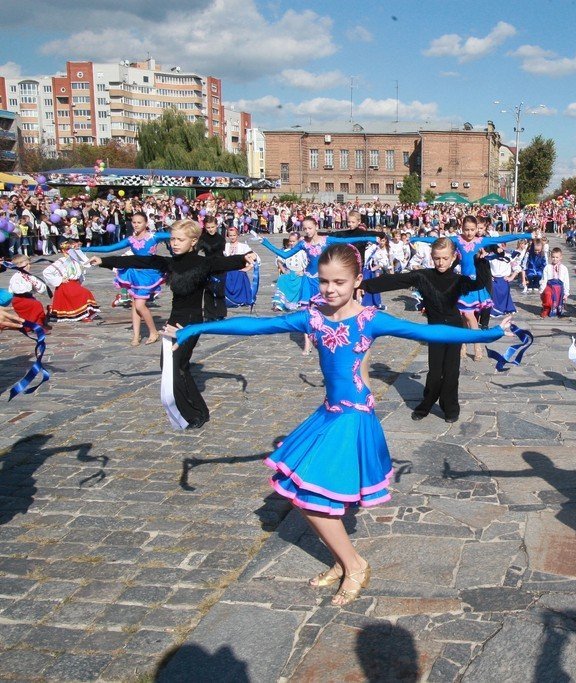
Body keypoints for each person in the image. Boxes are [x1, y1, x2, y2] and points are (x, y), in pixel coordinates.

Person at [164, 243, 511, 605]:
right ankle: (341, 559)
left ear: (358, 281)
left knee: (314, 500)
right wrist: (195, 330)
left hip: (353, 416)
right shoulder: (312, 317)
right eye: (324, 281)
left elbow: (433, 333)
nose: (330, 289)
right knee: (304, 497)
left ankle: (354, 564)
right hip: (328, 413)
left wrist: (485, 336)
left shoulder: (369, 319)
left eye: (339, 282)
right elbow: (256, 326)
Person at [90, 219, 257, 429]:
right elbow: (139, 261)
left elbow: (226, 262)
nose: (175, 243)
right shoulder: (170, 263)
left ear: (194, 241)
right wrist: (104, 261)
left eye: (180, 239)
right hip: (173, 321)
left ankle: (191, 414)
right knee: (176, 367)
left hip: (190, 323)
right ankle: (198, 411)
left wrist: (245, 257)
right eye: (172, 239)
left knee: (174, 366)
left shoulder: (203, 263)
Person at [360, 238, 495, 423]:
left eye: (445, 258)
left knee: (451, 371)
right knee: (434, 371)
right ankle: (426, 404)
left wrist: (481, 262)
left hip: (454, 329)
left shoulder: (459, 280)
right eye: (437, 258)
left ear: (453, 257)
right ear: (432, 257)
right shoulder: (423, 276)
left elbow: (480, 283)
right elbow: (394, 280)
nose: (441, 262)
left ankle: (450, 408)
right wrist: (364, 286)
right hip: (434, 330)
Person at [411, 216, 530, 360]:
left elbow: (505, 238)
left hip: (475, 285)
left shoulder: (481, 241)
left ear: (476, 229)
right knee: (462, 316)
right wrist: (414, 239)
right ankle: (463, 344)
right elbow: (437, 240)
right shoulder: (457, 240)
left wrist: (528, 235)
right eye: (466, 229)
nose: (469, 233)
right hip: (462, 284)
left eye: (472, 230)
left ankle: (476, 346)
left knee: (469, 315)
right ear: (462, 228)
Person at [82, 211, 168, 345]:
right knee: (135, 304)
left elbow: (175, 235)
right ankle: (136, 335)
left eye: (139, 222)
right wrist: (83, 249)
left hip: (148, 274)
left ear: (146, 223)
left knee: (140, 305)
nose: (136, 225)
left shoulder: (154, 236)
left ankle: (153, 331)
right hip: (134, 273)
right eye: (134, 222)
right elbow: (108, 248)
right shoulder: (131, 240)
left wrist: (192, 234)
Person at [41, 240, 100, 322]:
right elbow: (46, 272)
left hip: (74, 284)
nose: (71, 251)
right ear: (63, 251)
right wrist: (60, 279)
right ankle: (82, 314)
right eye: (68, 249)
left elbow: (84, 265)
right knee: (84, 293)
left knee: (83, 293)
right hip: (66, 284)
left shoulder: (74, 259)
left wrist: (91, 261)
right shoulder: (61, 261)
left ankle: (85, 312)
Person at [197, 215, 228, 321]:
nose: (210, 229)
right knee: (208, 290)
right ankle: (209, 314)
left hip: (220, 266)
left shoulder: (220, 238)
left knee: (220, 290)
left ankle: (221, 313)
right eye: (208, 227)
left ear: (216, 226)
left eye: (212, 227)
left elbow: (222, 253)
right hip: (208, 266)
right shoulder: (203, 238)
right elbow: (196, 251)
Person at [6, 255, 48, 328]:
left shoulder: (30, 276)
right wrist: (29, 286)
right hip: (19, 299)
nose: (29, 266)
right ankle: (34, 325)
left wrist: (37, 286)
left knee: (37, 306)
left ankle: (38, 323)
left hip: (29, 298)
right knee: (36, 305)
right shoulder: (16, 277)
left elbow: (39, 286)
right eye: (26, 265)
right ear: (18, 266)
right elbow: (16, 289)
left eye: (29, 264)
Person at [222, 227, 259, 309]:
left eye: (234, 235)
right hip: (228, 272)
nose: (232, 237)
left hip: (239, 272)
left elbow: (255, 257)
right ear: (228, 236)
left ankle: (240, 299)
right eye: (230, 235)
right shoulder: (225, 246)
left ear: (237, 235)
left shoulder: (243, 247)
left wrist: (249, 266)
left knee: (239, 287)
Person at [271, 232, 308, 312]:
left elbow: (308, 263)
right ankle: (279, 304)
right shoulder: (286, 251)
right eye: (290, 241)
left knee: (303, 281)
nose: (291, 243)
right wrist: (283, 269)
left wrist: (302, 271)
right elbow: (279, 260)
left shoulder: (303, 252)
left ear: (298, 241)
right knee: (282, 279)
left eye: (293, 241)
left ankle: (298, 303)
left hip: (300, 274)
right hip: (289, 273)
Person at [539, 247, 570, 318]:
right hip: (550, 286)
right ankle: (546, 309)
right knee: (547, 295)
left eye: (557, 257)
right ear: (550, 257)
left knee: (557, 301)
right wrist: (541, 290)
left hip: (559, 287)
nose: (555, 259)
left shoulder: (564, 268)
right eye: (553, 257)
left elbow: (566, 281)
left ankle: (555, 309)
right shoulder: (547, 267)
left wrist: (566, 293)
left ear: (561, 257)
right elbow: (544, 279)